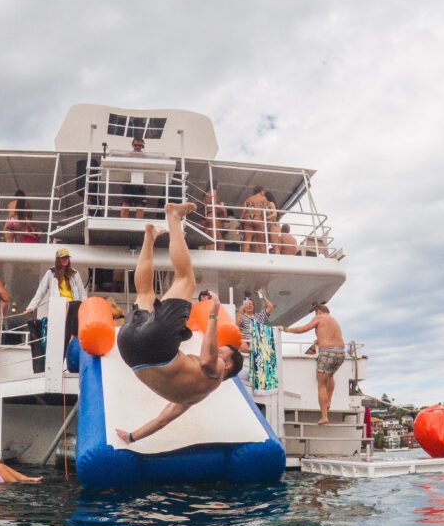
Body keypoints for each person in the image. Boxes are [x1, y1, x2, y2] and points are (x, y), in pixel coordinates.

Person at [115, 203, 243, 445]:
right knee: (144, 295)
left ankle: (173, 217)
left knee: (186, 279)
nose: (218, 352)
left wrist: (214, 313)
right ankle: (150, 235)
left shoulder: (216, 373)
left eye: (222, 352)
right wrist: (132, 437)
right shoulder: (191, 399)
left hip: (157, 348)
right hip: (129, 351)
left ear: (226, 366)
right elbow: (163, 420)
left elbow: (207, 358)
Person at [278, 303, 345, 425]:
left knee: (321, 384)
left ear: (318, 311)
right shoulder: (334, 321)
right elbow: (329, 337)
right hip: (340, 353)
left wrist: (287, 329)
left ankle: (324, 416)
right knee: (330, 375)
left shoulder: (319, 317)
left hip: (327, 353)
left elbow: (303, 329)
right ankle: (329, 402)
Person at [25, 248, 87, 314]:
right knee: (58, 323)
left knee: (71, 324)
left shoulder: (74, 273)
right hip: (57, 306)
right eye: (62, 257)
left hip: (73, 306)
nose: (65, 259)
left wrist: (85, 309)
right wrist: (31, 307)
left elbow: (82, 293)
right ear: (58, 259)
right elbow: (41, 291)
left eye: (67, 257)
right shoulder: (50, 273)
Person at [120, 136, 148, 219]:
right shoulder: (127, 156)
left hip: (140, 183)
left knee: (140, 205)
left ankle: (139, 223)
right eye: (136, 145)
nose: (137, 147)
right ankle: (123, 222)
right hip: (128, 182)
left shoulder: (145, 157)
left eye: (140, 145)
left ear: (142, 146)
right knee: (125, 203)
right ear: (132, 145)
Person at [240, 187, 267, 253]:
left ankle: (245, 257)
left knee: (247, 241)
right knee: (260, 242)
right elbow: (264, 211)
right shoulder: (263, 198)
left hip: (249, 218)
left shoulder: (248, 199)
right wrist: (263, 220)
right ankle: (265, 258)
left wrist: (241, 219)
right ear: (261, 191)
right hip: (257, 218)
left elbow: (244, 211)